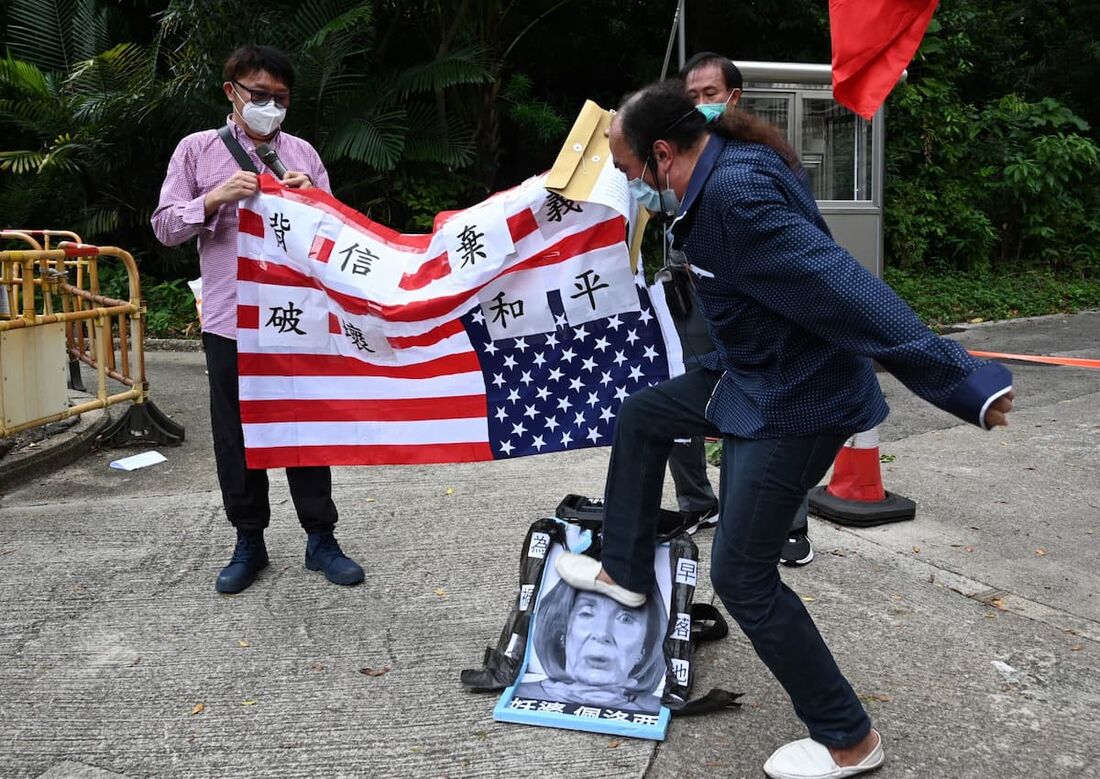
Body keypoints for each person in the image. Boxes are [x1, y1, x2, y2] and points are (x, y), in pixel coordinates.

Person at [557, 80, 1015, 779]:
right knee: (644, 415)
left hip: (797, 400)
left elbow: (842, 287)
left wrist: (961, 378)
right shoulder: (719, 155)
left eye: (627, 173)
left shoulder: (735, 199)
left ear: (661, 154)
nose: (629, 188)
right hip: (750, 373)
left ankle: (848, 738)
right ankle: (624, 569)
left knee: (740, 573)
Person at [152, 45, 364, 595]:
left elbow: (337, 238)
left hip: (294, 318)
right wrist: (215, 197)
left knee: (304, 426)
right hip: (229, 318)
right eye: (259, 95)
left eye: (281, 98)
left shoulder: (303, 154)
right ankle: (249, 540)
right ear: (231, 92)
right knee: (235, 434)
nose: (270, 105)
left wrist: (314, 200)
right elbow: (164, 227)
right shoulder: (197, 151)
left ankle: (321, 539)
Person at [673, 51, 814, 565]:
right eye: (691, 97)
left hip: (756, 308)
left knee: (769, 402)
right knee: (674, 393)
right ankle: (697, 502)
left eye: (710, 95)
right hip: (690, 301)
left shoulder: (762, 156)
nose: (701, 105)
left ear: (735, 97)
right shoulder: (677, 152)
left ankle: (787, 525)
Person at [511, 577, 668, 714]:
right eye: (586, 613)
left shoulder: (658, 709)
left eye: (625, 618)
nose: (602, 633)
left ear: (645, 647)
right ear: (562, 634)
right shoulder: (518, 696)